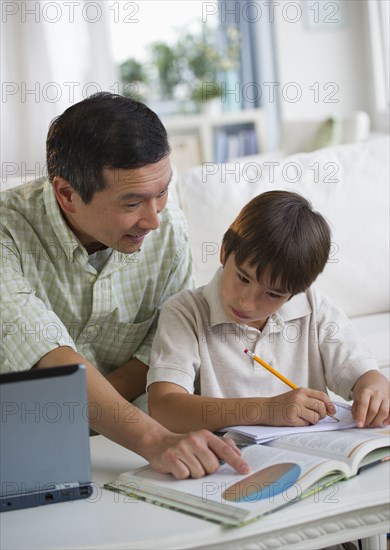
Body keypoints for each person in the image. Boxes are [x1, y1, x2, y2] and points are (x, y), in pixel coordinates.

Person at [0, 92, 250, 479]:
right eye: (132, 203)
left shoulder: (168, 232)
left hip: (116, 429)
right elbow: (46, 353)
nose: (152, 220)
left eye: (163, 192)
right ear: (67, 194)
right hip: (22, 438)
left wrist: (90, 411)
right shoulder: (7, 231)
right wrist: (154, 440)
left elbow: (165, 344)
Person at [147, 191, 390, 432]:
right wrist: (265, 410)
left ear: (295, 292)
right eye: (243, 278)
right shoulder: (185, 312)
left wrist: (374, 389)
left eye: (273, 294)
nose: (248, 303)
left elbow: (366, 375)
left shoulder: (312, 307)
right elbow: (163, 407)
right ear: (223, 252)